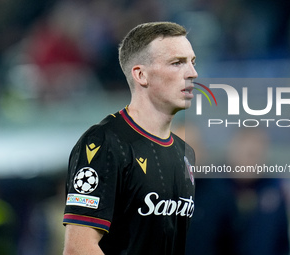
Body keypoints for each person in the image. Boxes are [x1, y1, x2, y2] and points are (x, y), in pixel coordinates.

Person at [62, 21, 198, 255]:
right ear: (141, 75)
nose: (192, 73)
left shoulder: (185, 153)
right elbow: (78, 247)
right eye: (177, 63)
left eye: (192, 62)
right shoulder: (106, 142)